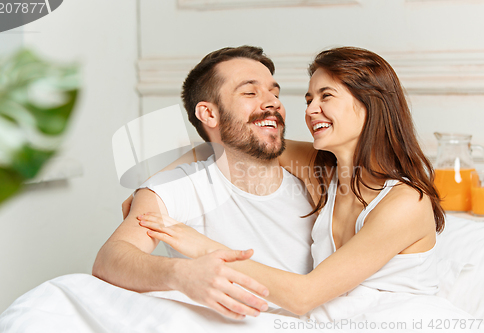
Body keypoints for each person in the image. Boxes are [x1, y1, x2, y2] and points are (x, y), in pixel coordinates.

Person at [136, 47, 477, 327]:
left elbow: (304, 295)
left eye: (325, 96)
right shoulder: (323, 172)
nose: (311, 110)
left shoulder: (405, 202)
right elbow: (232, 142)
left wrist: (200, 247)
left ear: (370, 104)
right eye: (308, 98)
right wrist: (149, 190)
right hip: (339, 320)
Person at [92, 46, 318, 320]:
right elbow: (110, 259)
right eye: (250, 92)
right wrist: (179, 275)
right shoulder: (178, 188)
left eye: (275, 92)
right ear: (209, 114)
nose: (273, 102)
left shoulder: (318, 176)